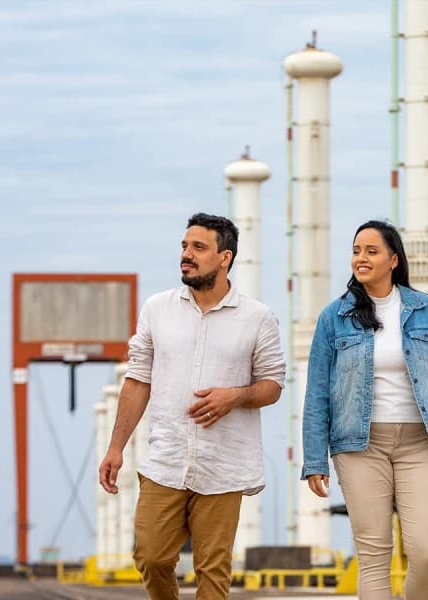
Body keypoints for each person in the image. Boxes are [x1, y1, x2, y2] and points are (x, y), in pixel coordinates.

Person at [98, 213, 285, 600]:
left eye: (198, 247)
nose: (187, 254)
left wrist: (235, 396)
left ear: (224, 257)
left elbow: (272, 386)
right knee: (150, 556)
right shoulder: (157, 309)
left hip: (223, 465)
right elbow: (137, 380)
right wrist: (116, 446)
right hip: (165, 459)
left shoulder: (257, 317)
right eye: (185, 246)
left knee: (212, 571)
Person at [302, 219, 428, 600]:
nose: (360, 258)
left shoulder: (427, 311)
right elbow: (317, 393)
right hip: (358, 444)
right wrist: (314, 459)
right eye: (355, 251)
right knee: (373, 555)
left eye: (371, 251)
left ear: (393, 259)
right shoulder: (334, 318)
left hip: (418, 443)